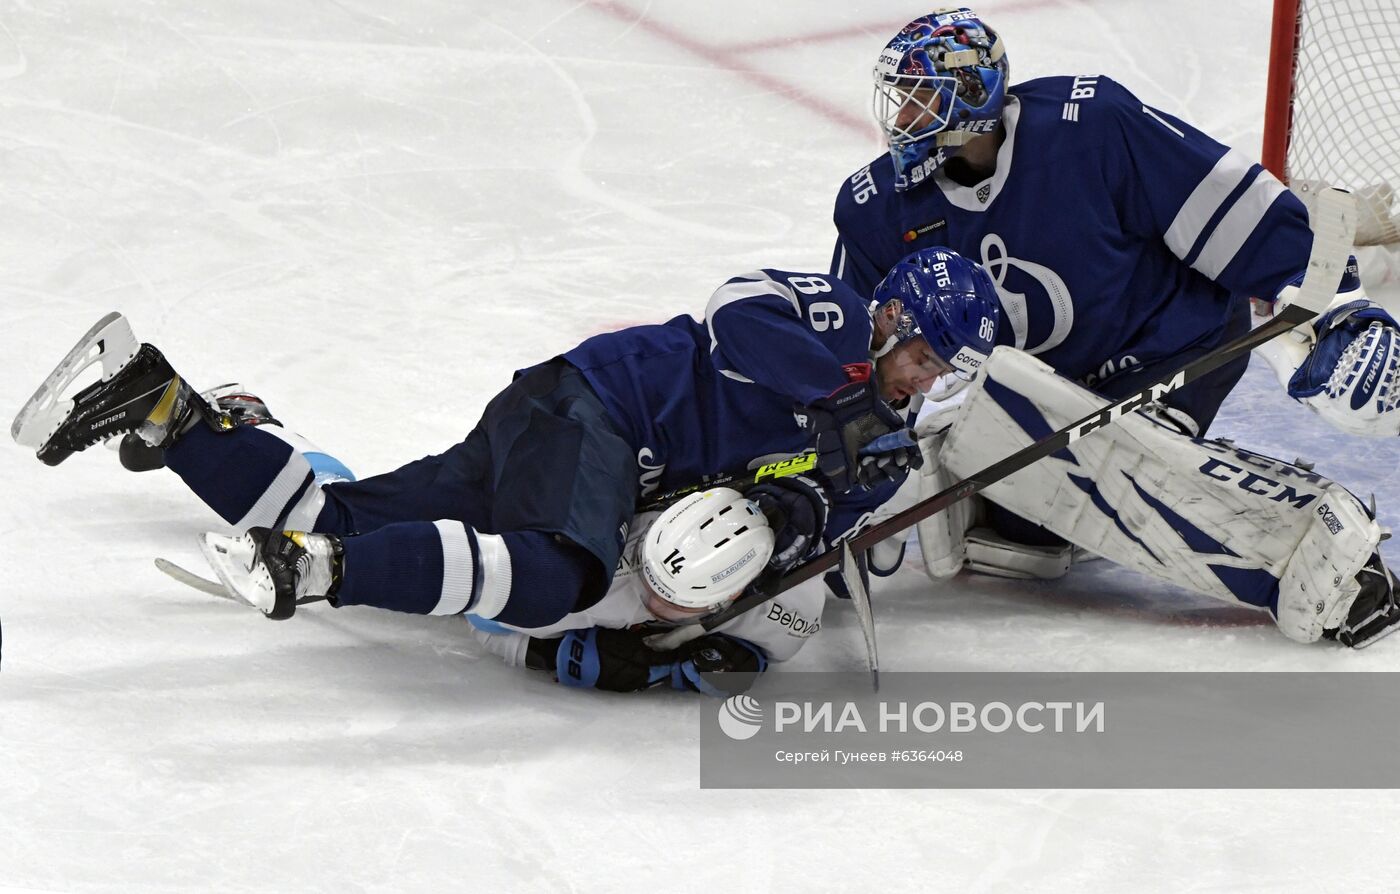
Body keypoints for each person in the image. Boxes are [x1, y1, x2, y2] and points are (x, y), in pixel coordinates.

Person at [13, 261, 958, 693]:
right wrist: (837, 403)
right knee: (558, 573)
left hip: (565, 432)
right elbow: (732, 316)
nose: (927, 379)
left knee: (330, 509)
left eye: (943, 372)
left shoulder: (888, 455)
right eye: (927, 355)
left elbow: (809, 526)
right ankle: (311, 574)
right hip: (600, 407)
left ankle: (158, 401)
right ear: (894, 321)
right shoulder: (832, 319)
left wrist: (781, 513)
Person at [831, 8, 1400, 577]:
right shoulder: (876, 207)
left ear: (974, 98)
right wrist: (852, 464)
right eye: (899, 98)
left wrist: (1338, 308)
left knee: (1127, 478)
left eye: (919, 98)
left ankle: (1317, 538)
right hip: (1053, 382)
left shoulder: (1090, 128)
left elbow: (1227, 204)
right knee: (1026, 519)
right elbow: (860, 345)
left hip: (1175, 344)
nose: (901, 118)